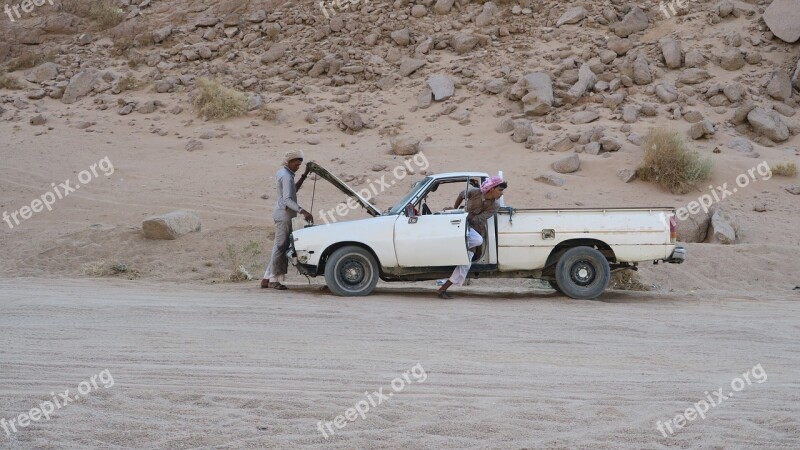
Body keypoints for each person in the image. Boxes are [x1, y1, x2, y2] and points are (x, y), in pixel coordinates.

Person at [437, 176, 507, 299]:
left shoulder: (494, 206)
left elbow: (480, 219)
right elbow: (461, 195)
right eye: (500, 190)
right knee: (467, 258)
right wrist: (455, 210)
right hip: (458, 227)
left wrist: (467, 217)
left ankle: (443, 288)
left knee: (467, 262)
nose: (501, 194)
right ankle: (443, 287)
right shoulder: (475, 192)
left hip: (473, 230)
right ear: (491, 189)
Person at [261, 151, 315, 290]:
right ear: (289, 162)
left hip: (284, 214)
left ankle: (267, 277)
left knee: (278, 246)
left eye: (299, 165)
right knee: (280, 247)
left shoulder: (286, 174)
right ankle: (274, 279)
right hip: (284, 215)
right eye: (296, 164)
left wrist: (304, 175)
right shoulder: (285, 176)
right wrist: (303, 211)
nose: (298, 167)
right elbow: (287, 199)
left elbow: (292, 191)